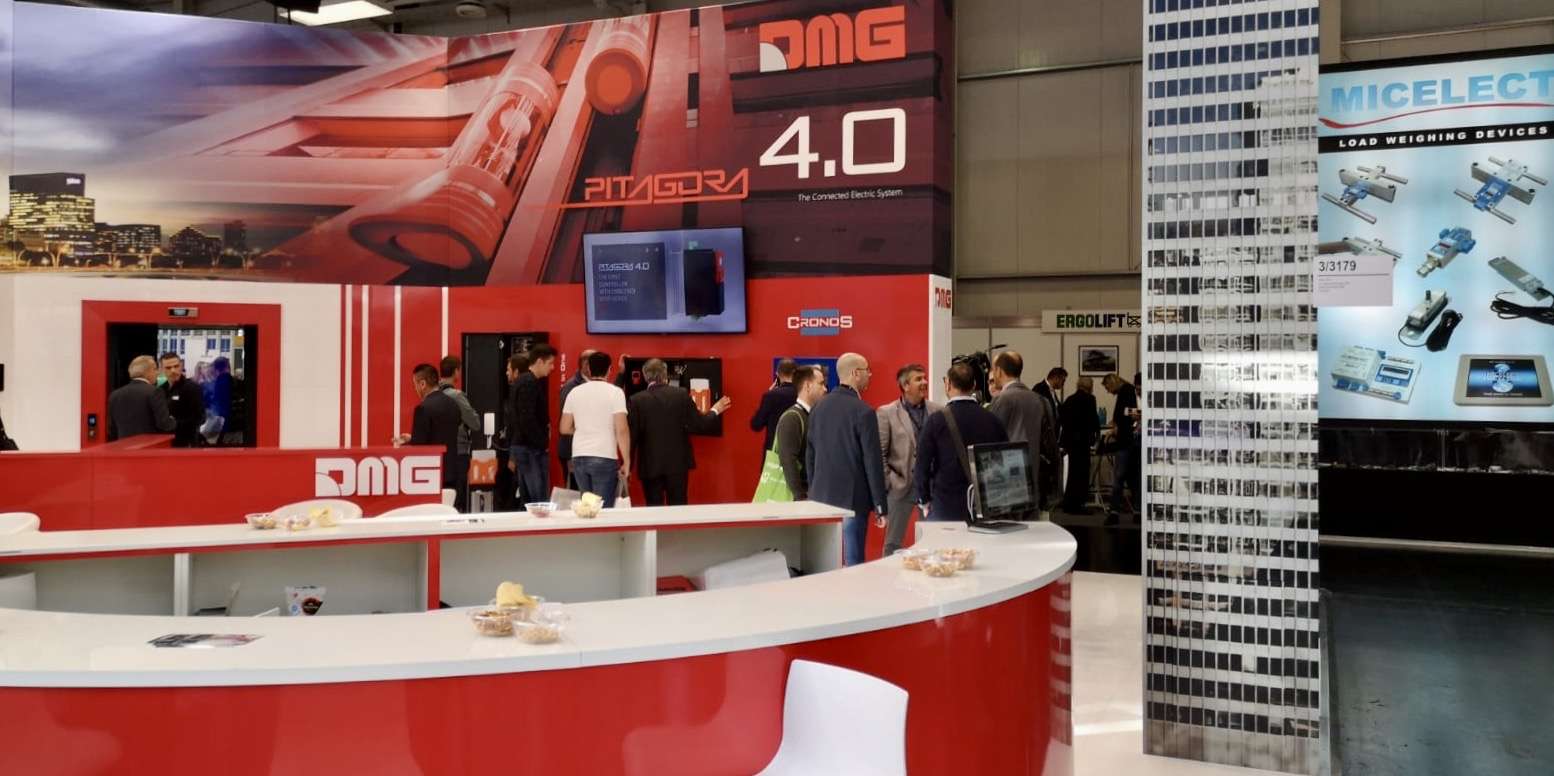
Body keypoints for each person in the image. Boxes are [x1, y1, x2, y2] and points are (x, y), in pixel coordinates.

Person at [806, 352, 889, 566]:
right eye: (867, 370)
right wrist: (880, 506)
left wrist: (813, 492)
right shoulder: (864, 412)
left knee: (823, 562)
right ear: (855, 373)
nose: (870, 374)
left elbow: (810, 456)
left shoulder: (817, 409)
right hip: (853, 501)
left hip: (820, 499)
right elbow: (872, 461)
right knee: (853, 563)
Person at [627, 358, 732, 506]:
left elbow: (632, 438)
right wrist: (716, 409)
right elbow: (699, 424)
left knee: (653, 509)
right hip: (677, 465)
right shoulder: (681, 394)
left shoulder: (636, 400)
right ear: (665, 375)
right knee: (678, 508)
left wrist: (627, 466)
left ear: (645, 376)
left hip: (650, 465)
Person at [913, 363, 1008, 522]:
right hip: (985, 508)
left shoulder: (936, 421)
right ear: (974, 385)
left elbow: (921, 465)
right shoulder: (993, 420)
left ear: (948, 384)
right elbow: (1003, 463)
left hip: (946, 507)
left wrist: (923, 500)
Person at [876, 363, 940, 557]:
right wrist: (891, 481)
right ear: (905, 386)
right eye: (918, 379)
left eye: (924, 378)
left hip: (930, 487)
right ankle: (888, 575)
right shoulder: (886, 412)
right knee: (893, 543)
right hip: (900, 487)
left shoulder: (937, 411)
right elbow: (880, 453)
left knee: (931, 542)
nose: (924, 382)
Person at [988, 351, 1060, 511]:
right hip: (1036, 480)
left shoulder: (1001, 400)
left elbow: (991, 443)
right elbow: (1051, 446)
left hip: (1006, 483)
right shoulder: (1042, 400)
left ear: (998, 371)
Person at [560, 351, 630, 506]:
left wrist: (583, 428)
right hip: (604, 456)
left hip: (579, 456)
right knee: (603, 508)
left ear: (589, 369)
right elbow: (622, 430)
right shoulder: (616, 393)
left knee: (588, 506)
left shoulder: (574, 392)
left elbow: (564, 428)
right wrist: (627, 460)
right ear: (609, 369)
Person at [396, 363, 468, 510]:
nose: (415, 388)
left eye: (415, 384)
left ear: (423, 384)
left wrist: (406, 443)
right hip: (452, 471)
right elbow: (442, 433)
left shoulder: (423, 408)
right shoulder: (453, 405)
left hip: (430, 476)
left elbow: (419, 447)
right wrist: (412, 437)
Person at [508, 344, 557, 504]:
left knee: (529, 499)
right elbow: (526, 419)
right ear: (539, 361)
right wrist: (542, 442)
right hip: (531, 449)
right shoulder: (529, 383)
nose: (552, 367)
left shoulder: (524, 381)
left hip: (525, 447)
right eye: (550, 363)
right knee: (538, 500)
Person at [775, 365, 827, 499]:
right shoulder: (792, 418)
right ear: (808, 386)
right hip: (799, 499)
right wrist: (800, 497)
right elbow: (788, 460)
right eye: (821, 384)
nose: (825, 389)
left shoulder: (812, 416)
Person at [107, 355, 177, 442]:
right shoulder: (155, 391)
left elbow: (112, 429)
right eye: (155, 369)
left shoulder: (115, 395)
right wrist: (172, 420)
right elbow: (164, 424)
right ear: (148, 372)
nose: (158, 373)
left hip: (123, 446)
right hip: (148, 446)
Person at [1103, 373, 1141, 524]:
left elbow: (1125, 414)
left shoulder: (1125, 391)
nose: (1108, 391)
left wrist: (1116, 428)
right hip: (1133, 440)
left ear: (1112, 383)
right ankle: (1137, 511)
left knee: (1119, 477)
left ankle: (1114, 511)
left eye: (1107, 387)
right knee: (1134, 478)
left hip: (1125, 441)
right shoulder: (1128, 390)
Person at [1059, 377, 1101, 514]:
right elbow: (1093, 419)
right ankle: (1078, 504)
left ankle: (1068, 502)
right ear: (1090, 387)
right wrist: (1096, 436)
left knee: (1072, 473)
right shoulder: (1090, 399)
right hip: (1083, 441)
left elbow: (1062, 419)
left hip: (1070, 441)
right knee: (1082, 473)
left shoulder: (1069, 399)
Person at [557, 348, 596, 487]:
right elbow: (566, 424)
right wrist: (570, 457)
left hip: (586, 452)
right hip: (573, 453)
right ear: (586, 365)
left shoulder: (592, 384)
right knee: (575, 492)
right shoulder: (571, 388)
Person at [750, 359, 799, 452]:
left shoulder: (770, 396)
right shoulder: (802, 394)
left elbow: (756, 425)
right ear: (795, 374)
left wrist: (769, 393)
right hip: (797, 450)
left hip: (774, 452)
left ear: (777, 374)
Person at [158, 352, 205, 447]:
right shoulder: (160, 390)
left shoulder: (192, 388)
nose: (173, 370)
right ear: (161, 369)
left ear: (181, 366)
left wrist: (174, 423)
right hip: (165, 442)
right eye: (168, 368)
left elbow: (200, 418)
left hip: (186, 443)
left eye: (176, 366)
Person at [203, 356, 234, 445]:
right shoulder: (233, 381)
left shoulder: (220, 382)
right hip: (233, 423)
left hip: (222, 422)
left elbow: (218, 405)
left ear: (215, 369)